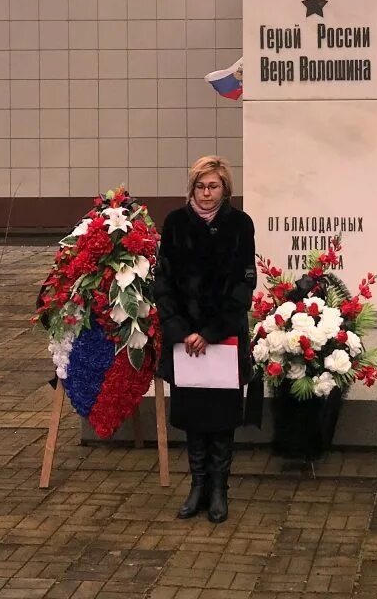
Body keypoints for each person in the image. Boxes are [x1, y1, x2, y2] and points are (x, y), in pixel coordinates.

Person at [152, 157, 256, 525]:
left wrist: (211, 332)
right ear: (192, 188)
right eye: (201, 186)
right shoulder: (176, 223)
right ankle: (196, 486)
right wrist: (183, 331)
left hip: (222, 338)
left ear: (225, 189)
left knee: (221, 416)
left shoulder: (240, 224)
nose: (207, 193)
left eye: (213, 187)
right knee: (193, 415)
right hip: (185, 340)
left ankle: (218, 490)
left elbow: (245, 286)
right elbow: (163, 284)